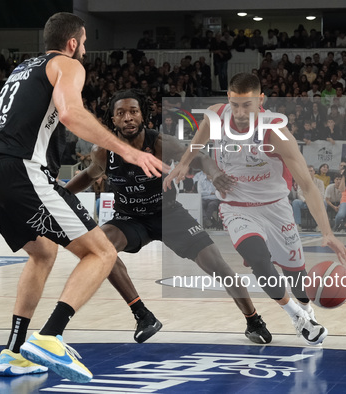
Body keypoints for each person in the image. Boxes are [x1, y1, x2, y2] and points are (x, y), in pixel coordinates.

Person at [0, 13, 163, 382]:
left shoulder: (19, 72)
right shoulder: (67, 65)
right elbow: (72, 114)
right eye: (85, 42)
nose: (86, 49)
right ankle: (51, 336)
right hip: (22, 170)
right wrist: (128, 152)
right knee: (102, 251)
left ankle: (13, 352)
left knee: (43, 252)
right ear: (73, 42)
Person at [67, 89, 272, 345]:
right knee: (100, 248)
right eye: (121, 114)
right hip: (129, 219)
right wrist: (61, 193)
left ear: (144, 116)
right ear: (113, 120)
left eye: (133, 111)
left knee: (217, 265)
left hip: (168, 214)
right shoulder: (102, 152)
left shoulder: (163, 144)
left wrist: (214, 174)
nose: (128, 118)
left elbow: (201, 158)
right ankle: (143, 315)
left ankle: (253, 320)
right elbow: (89, 175)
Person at [166, 73, 346, 346]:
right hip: (236, 207)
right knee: (258, 259)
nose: (240, 113)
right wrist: (184, 162)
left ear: (260, 100)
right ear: (229, 97)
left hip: (275, 207)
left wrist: (327, 232)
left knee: (296, 278)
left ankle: (305, 310)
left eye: (247, 105)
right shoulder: (216, 116)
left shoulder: (274, 132)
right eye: (236, 104)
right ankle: (297, 317)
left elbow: (308, 186)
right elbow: (198, 140)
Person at [292, 165, 326, 230]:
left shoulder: (320, 182)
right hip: (305, 202)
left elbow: (321, 194)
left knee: (324, 202)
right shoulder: (301, 182)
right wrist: (305, 200)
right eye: (307, 171)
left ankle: (320, 225)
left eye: (311, 171)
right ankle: (297, 224)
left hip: (316, 203)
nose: (309, 173)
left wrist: (314, 201)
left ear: (314, 172)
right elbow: (299, 194)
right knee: (295, 202)